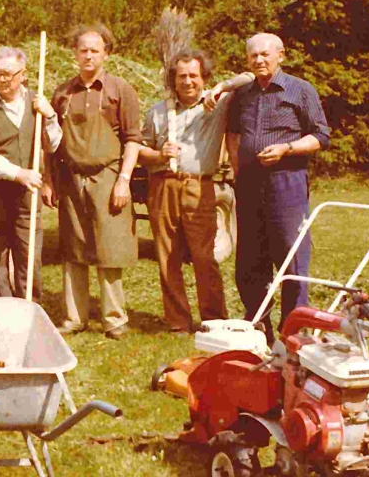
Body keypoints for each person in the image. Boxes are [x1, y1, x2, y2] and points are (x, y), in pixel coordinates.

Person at [139, 49, 254, 332]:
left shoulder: (218, 103)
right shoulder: (158, 111)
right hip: (163, 184)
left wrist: (221, 87)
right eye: (181, 76)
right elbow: (139, 150)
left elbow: (249, 77)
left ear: (204, 77)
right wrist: (158, 154)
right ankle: (178, 322)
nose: (188, 81)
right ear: (173, 79)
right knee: (168, 255)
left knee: (204, 257)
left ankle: (213, 320)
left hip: (199, 186)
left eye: (193, 75)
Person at [227, 33, 331, 343]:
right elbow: (233, 134)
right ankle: (258, 326)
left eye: (265, 54)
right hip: (249, 184)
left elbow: (321, 136)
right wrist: (237, 169)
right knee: (249, 260)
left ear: (280, 55)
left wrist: (287, 148)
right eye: (253, 56)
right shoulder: (243, 95)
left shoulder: (300, 90)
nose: (259, 60)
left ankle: (293, 332)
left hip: (287, 182)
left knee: (291, 257)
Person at [42, 24, 142, 339]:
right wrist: (49, 180)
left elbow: (133, 139)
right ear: (75, 53)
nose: (88, 56)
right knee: (73, 249)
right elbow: (50, 142)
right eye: (83, 50)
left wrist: (123, 180)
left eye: (95, 50)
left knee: (108, 247)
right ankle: (75, 317)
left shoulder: (120, 90)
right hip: (71, 179)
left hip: (108, 177)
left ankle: (114, 318)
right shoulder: (62, 93)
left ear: (106, 54)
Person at [0, 46, 61, 299]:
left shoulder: (37, 105)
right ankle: (3, 308)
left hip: (26, 197)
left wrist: (50, 116)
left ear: (23, 75)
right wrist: (19, 173)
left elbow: (53, 145)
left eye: (8, 74)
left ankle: (30, 306)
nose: (2, 79)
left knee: (29, 256)